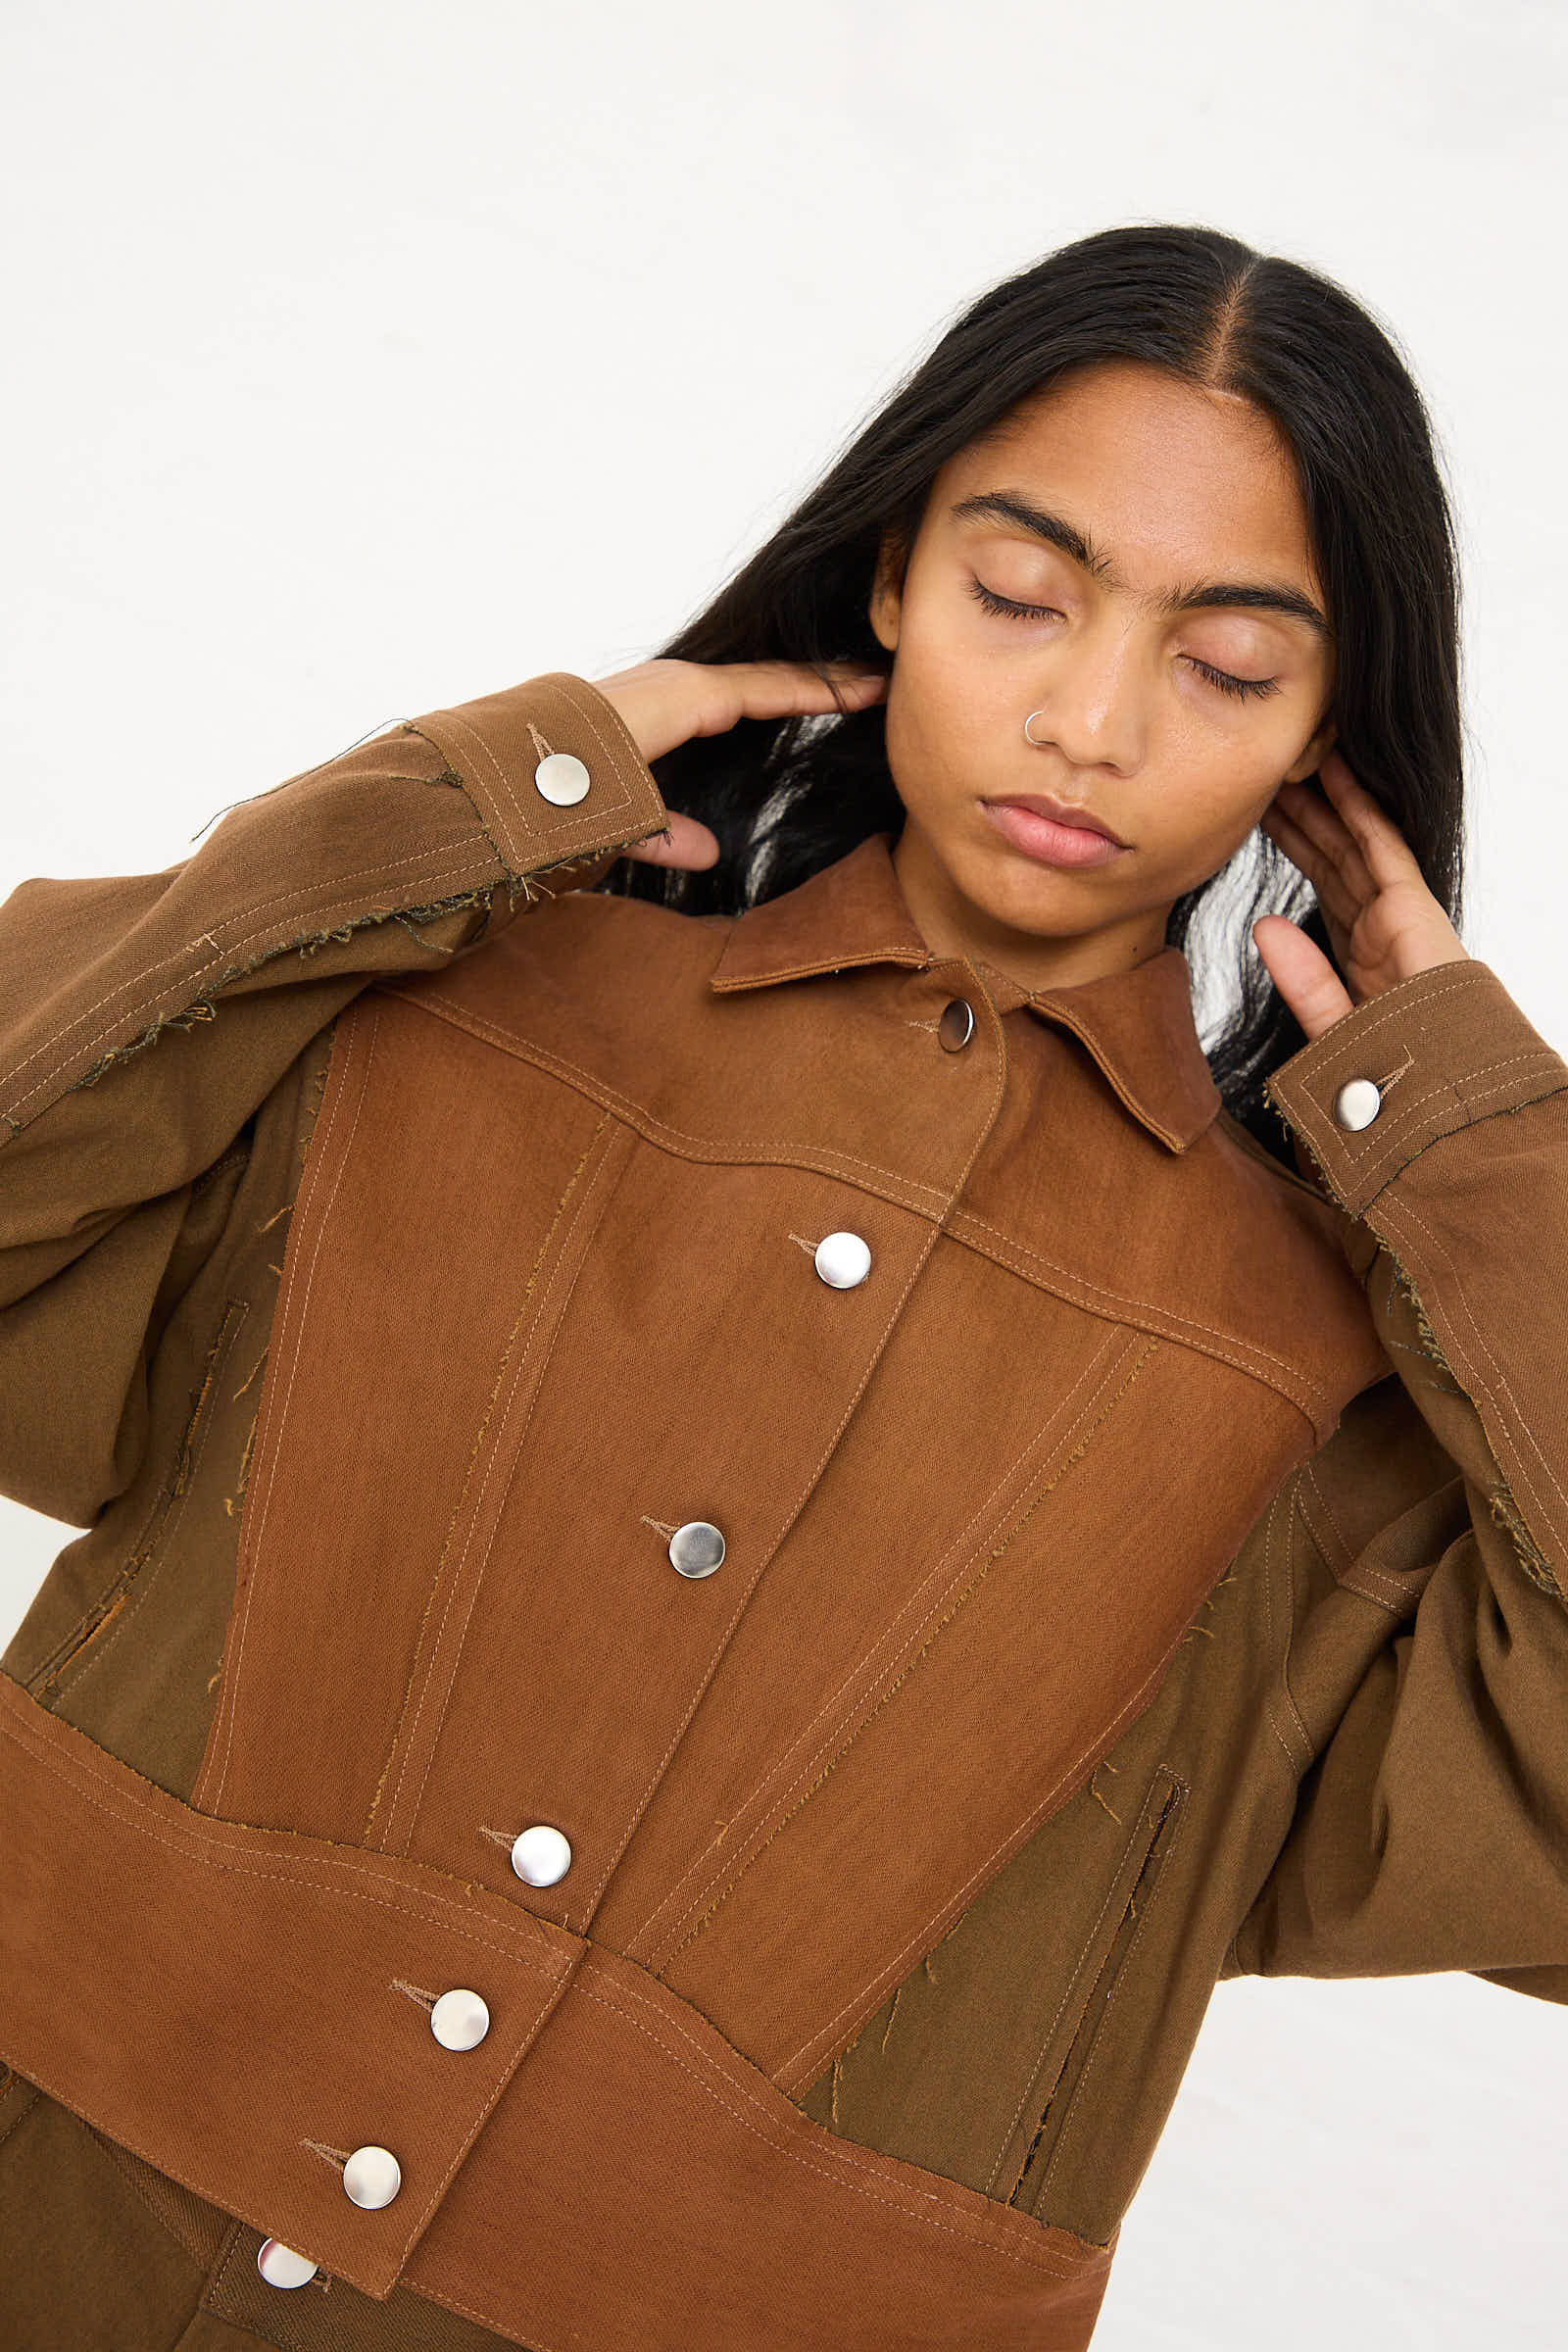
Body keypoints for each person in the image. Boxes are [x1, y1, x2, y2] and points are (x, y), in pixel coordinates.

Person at [1, 223, 1564, 2352]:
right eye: (1020, 594)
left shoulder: (1326, 1366)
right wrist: (467, 797)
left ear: (1326, 742)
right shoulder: (438, 998)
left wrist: (1474, 1145)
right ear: (890, 578)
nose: (1087, 721)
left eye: (1222, 664)